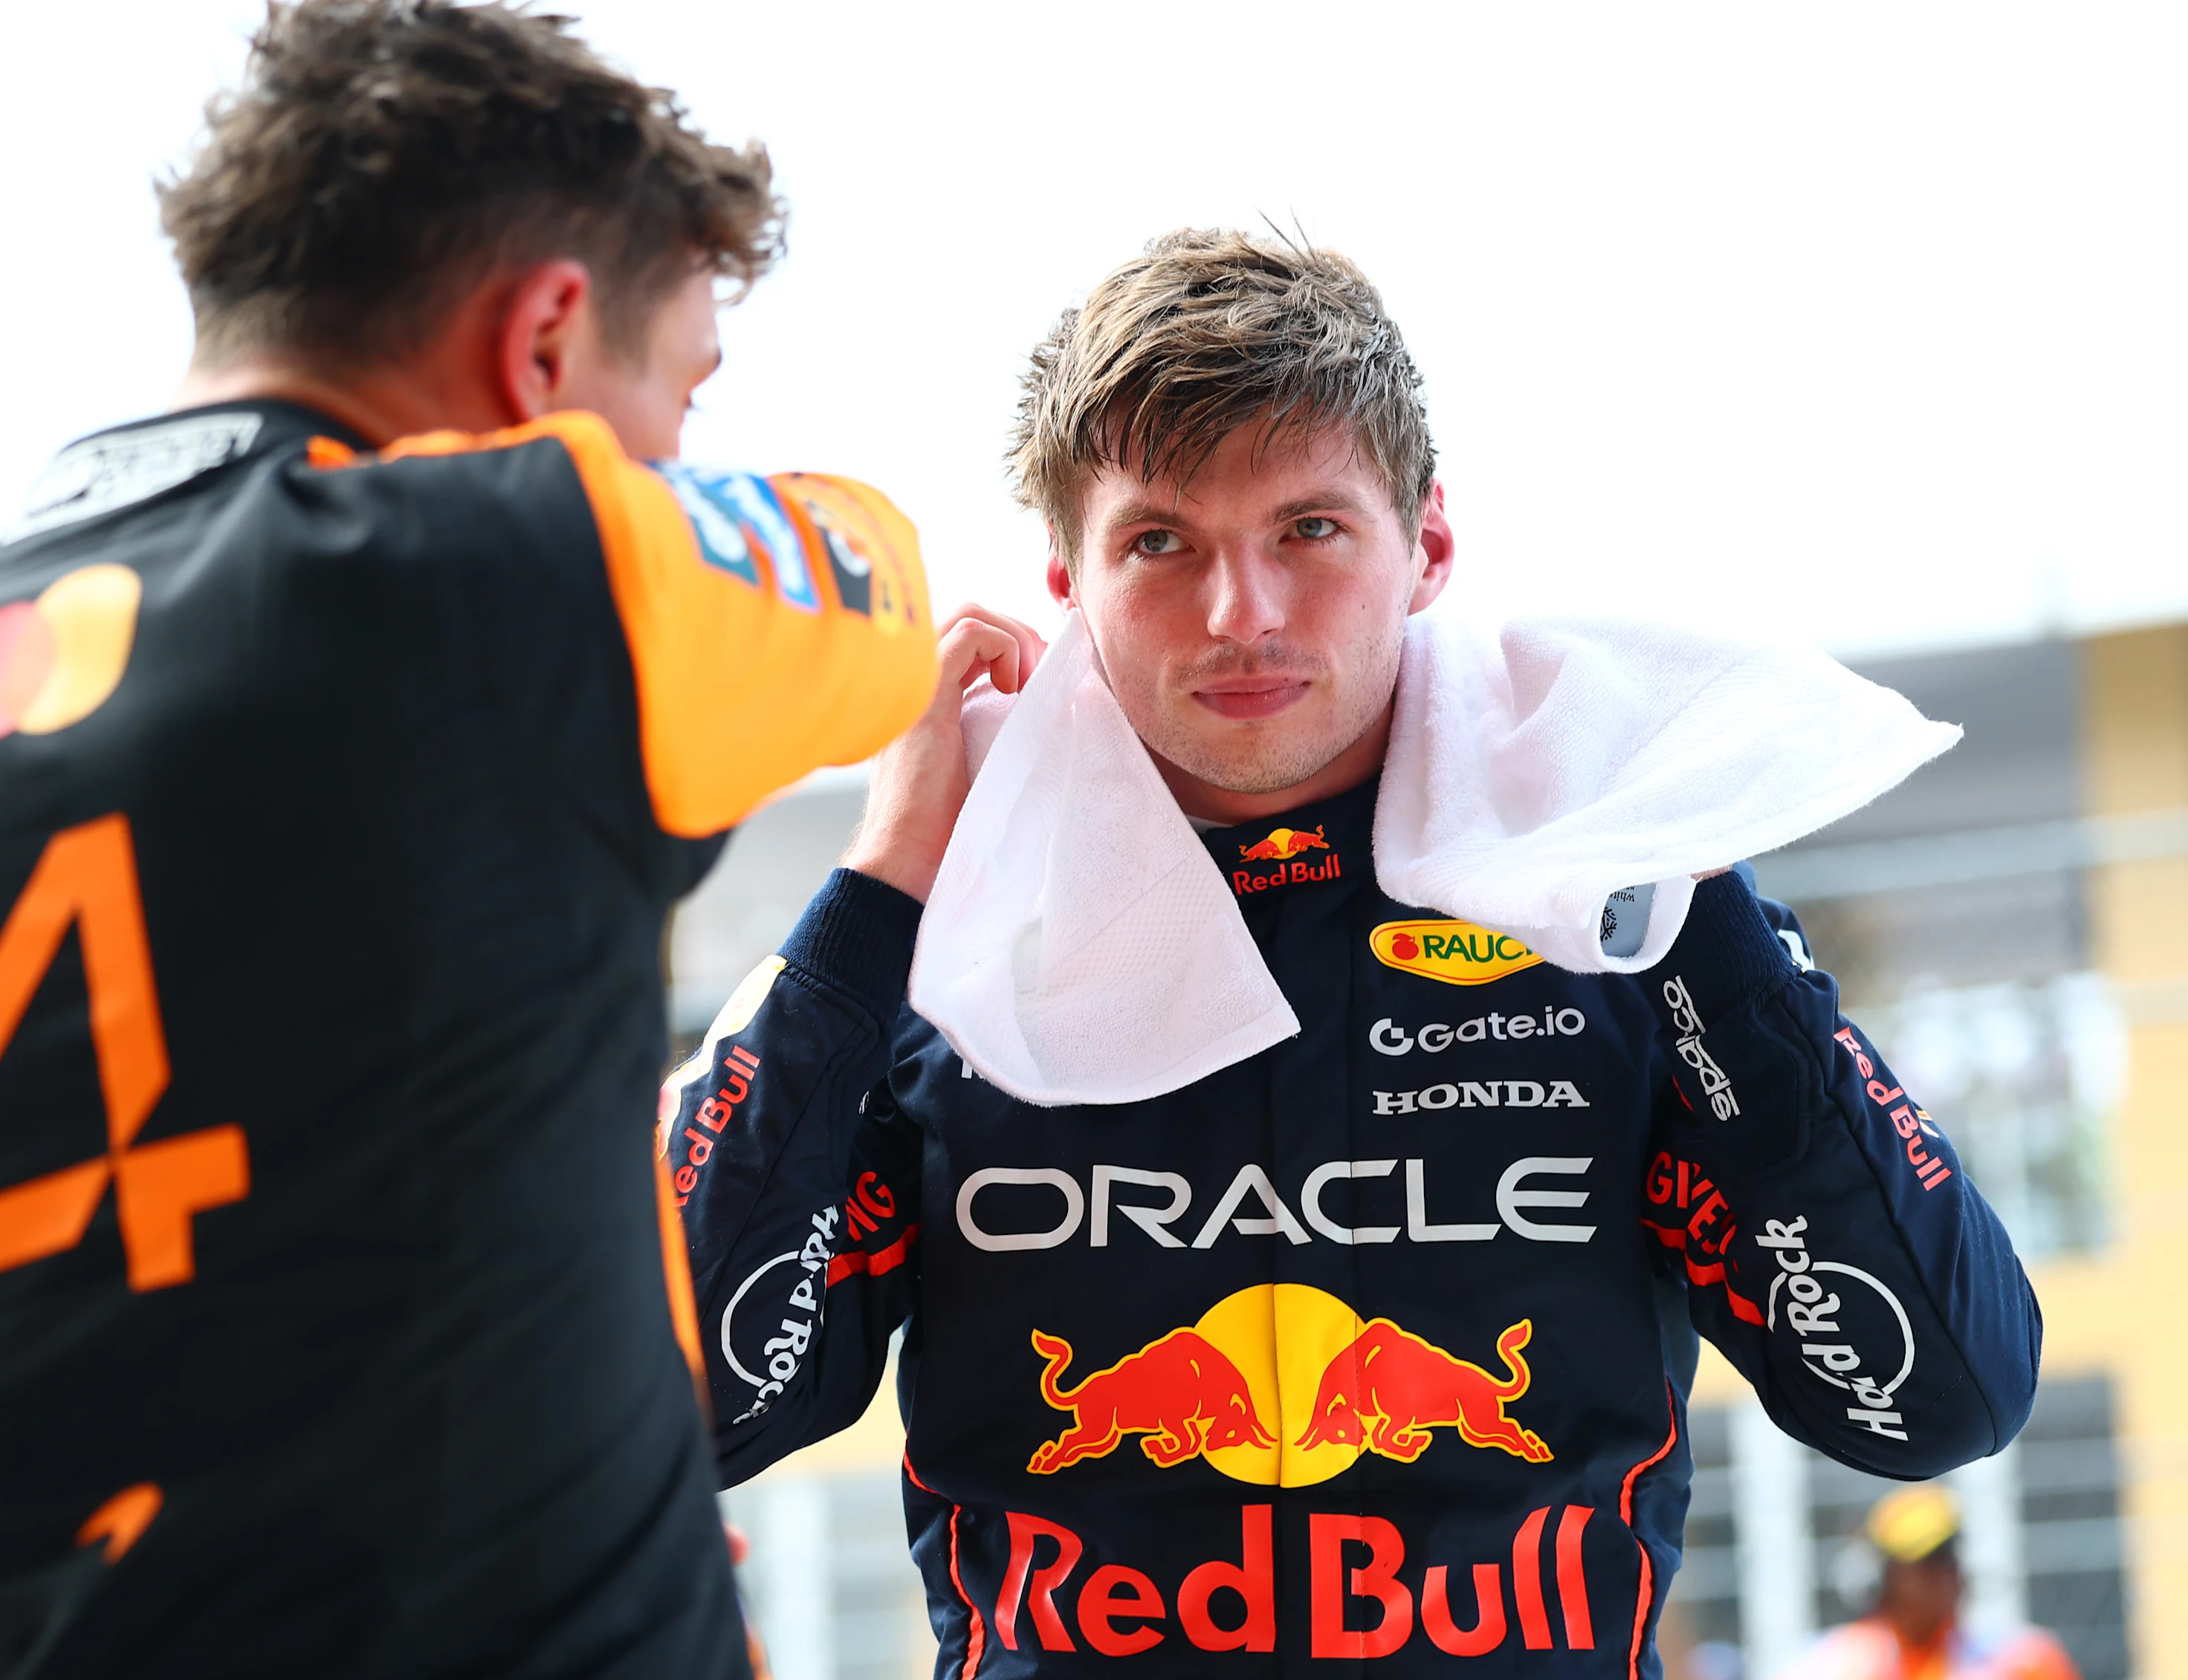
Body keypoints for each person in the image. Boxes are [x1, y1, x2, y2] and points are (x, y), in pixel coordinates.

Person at [0, 4, 936, 1678]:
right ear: (543, 345)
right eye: (681, 396)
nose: (673, 458)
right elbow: (878, 597)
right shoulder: (501, 567)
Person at [669, 230, 2042, 1673]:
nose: (1240, 614)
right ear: (1067, 582)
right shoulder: (942, 945)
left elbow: (1931, 1395)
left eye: (1308, 529)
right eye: (1159, 542)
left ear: (1426, 545)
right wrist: (879, 892)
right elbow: (675, 1414)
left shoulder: (1612, 908)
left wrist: (1687, 889)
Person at [1781, 1488, 2078, 1680]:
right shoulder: (1831, 1665)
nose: (1949, 1573)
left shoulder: (2025, 1659)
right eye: (1931, 1561)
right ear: (1887, 1577)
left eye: (1951, 1555)